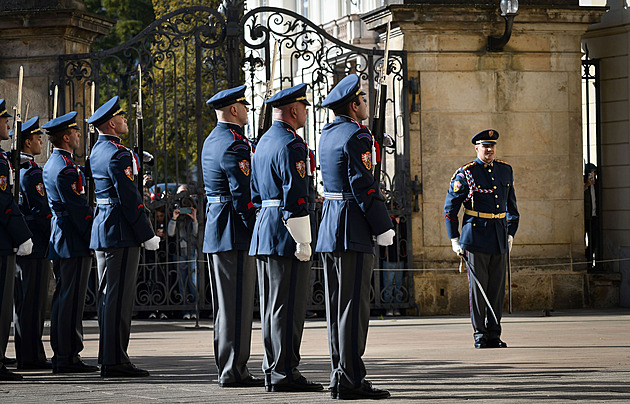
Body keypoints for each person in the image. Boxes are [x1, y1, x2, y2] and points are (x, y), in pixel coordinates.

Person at [316, 74, 394, 400]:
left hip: (330, 228)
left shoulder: (329, 134)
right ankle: (350, 380)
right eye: (362, 100)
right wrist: (383, 226)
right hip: (353, 229)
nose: (365, 104)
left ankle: (340, 374)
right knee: (353, 310)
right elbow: (364, 186)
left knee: (338, 310)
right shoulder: (357, 138)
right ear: (354, 104)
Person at [249, 83, 323, 393]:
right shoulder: (293, 145)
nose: (306, 112)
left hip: (266, 229)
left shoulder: (264, 141)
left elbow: (254, 193)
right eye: (304, 108)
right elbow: (295, 196)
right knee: (288, 306)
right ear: (294, 110)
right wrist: (303, 239)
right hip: (286, 232)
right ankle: (284, 372)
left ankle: (273, 368)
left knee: (272, 306)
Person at [87, 96, 161, 377]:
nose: (126, 120)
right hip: (120, 231)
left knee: (109, 297)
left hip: (105, 228)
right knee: (118, 299)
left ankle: (109, 356)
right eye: (122, 117)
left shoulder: (98, 151)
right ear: (111, 123)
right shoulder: (119, 154)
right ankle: (115, 360)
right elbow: (130, 198)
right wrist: (146, 233)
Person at [202, 85, 263, 388]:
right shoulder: (236, 145)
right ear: (235, 110)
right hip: (234, 231)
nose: (249, 112)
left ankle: (228, 366)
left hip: (219, 228)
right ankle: (234, 370)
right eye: (245, 106)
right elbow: (243, 197)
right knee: (237, 306)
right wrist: (256, 230)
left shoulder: (213, 140)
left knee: (226, 307)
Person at [444, 129, 519, 349]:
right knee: (479, 290)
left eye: (492, 146)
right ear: (477, 148)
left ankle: (495, 333)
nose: (489, 150)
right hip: (475, 236)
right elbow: (450, 209)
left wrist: (511, 233)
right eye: (485, 146)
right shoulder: (466, 173)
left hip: (499, 236)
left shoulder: (505, 170)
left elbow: (512, 207)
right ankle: (480, 334)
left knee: (496, 289)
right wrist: (454, 238)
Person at [42, 111, 97, 374]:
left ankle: (65, 353)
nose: (78, 136)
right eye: (75, 133)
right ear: (66, 137)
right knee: (70, 299)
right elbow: (78, 209)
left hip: (62, 238)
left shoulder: (56, 163)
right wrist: (93, 233)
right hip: (72, 239)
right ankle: (66, 355)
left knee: (66, 298)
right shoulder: (65, 169)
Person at [13, 116, 53, 370]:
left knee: (28, 302)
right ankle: (30, 356)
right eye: (37, 138)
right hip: (35, 243)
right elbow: (41, 211)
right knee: (32, 303)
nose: (41, 141)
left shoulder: (22, 169)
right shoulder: (30, 173)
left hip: (29, 243)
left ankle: (31, 353)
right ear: (27, 142)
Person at [0, 98, 33, 381]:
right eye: (4, 120)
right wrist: (22, 235)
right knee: (1, 304)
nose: (8, 125)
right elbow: (4, 201)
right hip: (2, 241)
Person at [168, 185, 198, 319]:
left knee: (193, 281)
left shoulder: (194, 210)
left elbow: (197, 234)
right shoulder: (175, 210)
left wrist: (194, 219)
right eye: (180, 194)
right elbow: (170, 233)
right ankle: (185, 310)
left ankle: (195, 309)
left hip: (191, 251)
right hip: (179, 251)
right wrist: (174, 218)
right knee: (182, 281)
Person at [584, 163, 598, 268]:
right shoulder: (583, 183)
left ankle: (590, 261)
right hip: (585, 217)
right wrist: (586, 185)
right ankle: (585, 261)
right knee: (582, 240)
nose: (594, 174)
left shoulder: (597, 184)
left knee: (594, 240)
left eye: (595, 172)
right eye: (592, 172)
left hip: (594, 216)